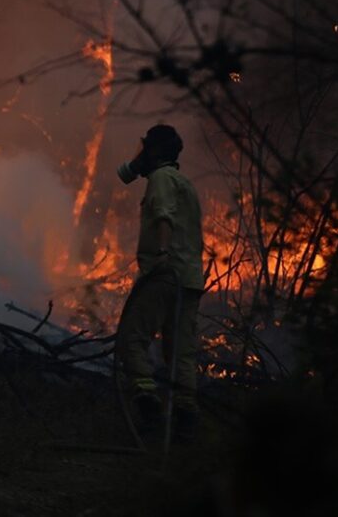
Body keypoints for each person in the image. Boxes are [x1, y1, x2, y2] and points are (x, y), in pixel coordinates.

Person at [114, 124, 205, 440]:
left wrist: (162, 256)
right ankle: (185, 420)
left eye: (144, 149)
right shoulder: (185, 183)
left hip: (165, 275)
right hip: (190, 279)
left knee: (131, 339)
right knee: (180, 352)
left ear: (154, 151)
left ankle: (148, 407)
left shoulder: (162, 179)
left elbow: (163, 215)